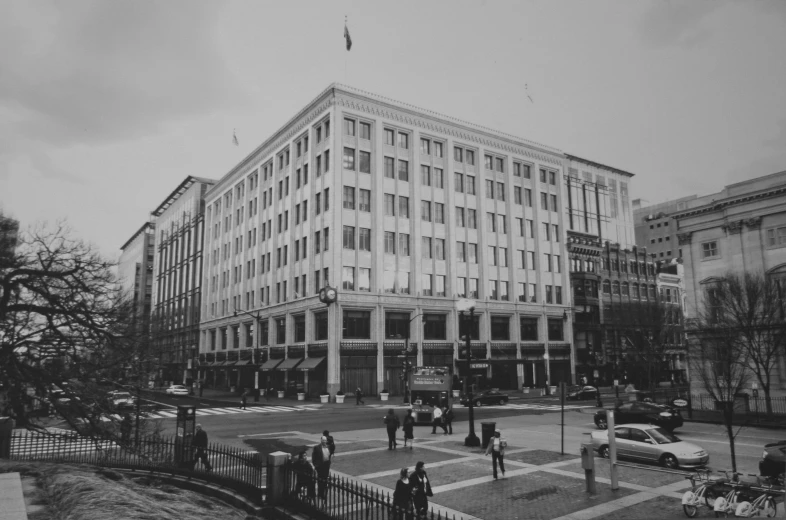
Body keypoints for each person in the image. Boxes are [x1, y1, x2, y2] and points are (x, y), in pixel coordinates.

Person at [311, 435, 333, 499]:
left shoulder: (328, 447)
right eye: (323, 440)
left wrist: (329, 462)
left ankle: (323, 493)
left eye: (325, 440)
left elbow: (329, 455)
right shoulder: (317, 447)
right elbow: (313, 457)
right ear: (321, 440)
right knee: (320, 480)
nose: (324, 442)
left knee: (325, 480)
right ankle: (320, 493)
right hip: (320, 466)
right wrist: (315, 465)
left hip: (326, 466)